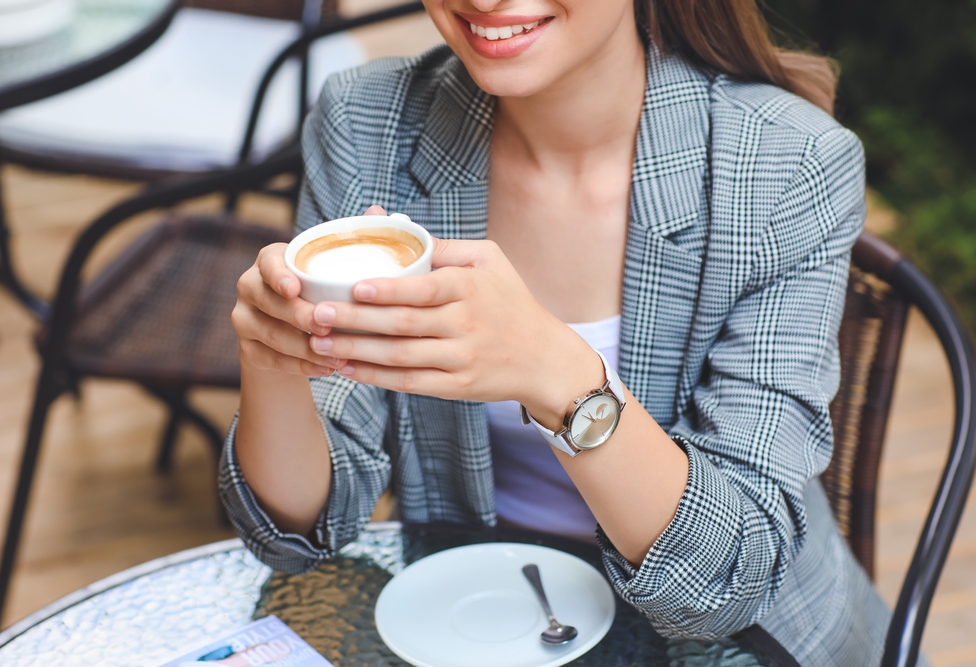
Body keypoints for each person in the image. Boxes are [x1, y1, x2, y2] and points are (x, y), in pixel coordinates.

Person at [222, 0, 891, 664]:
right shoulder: (369, 119)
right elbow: (297, 535)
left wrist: (559, 376)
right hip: (477, 614)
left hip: (729, 644)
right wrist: (274, 361)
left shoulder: (787, 165)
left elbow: (721, 585)